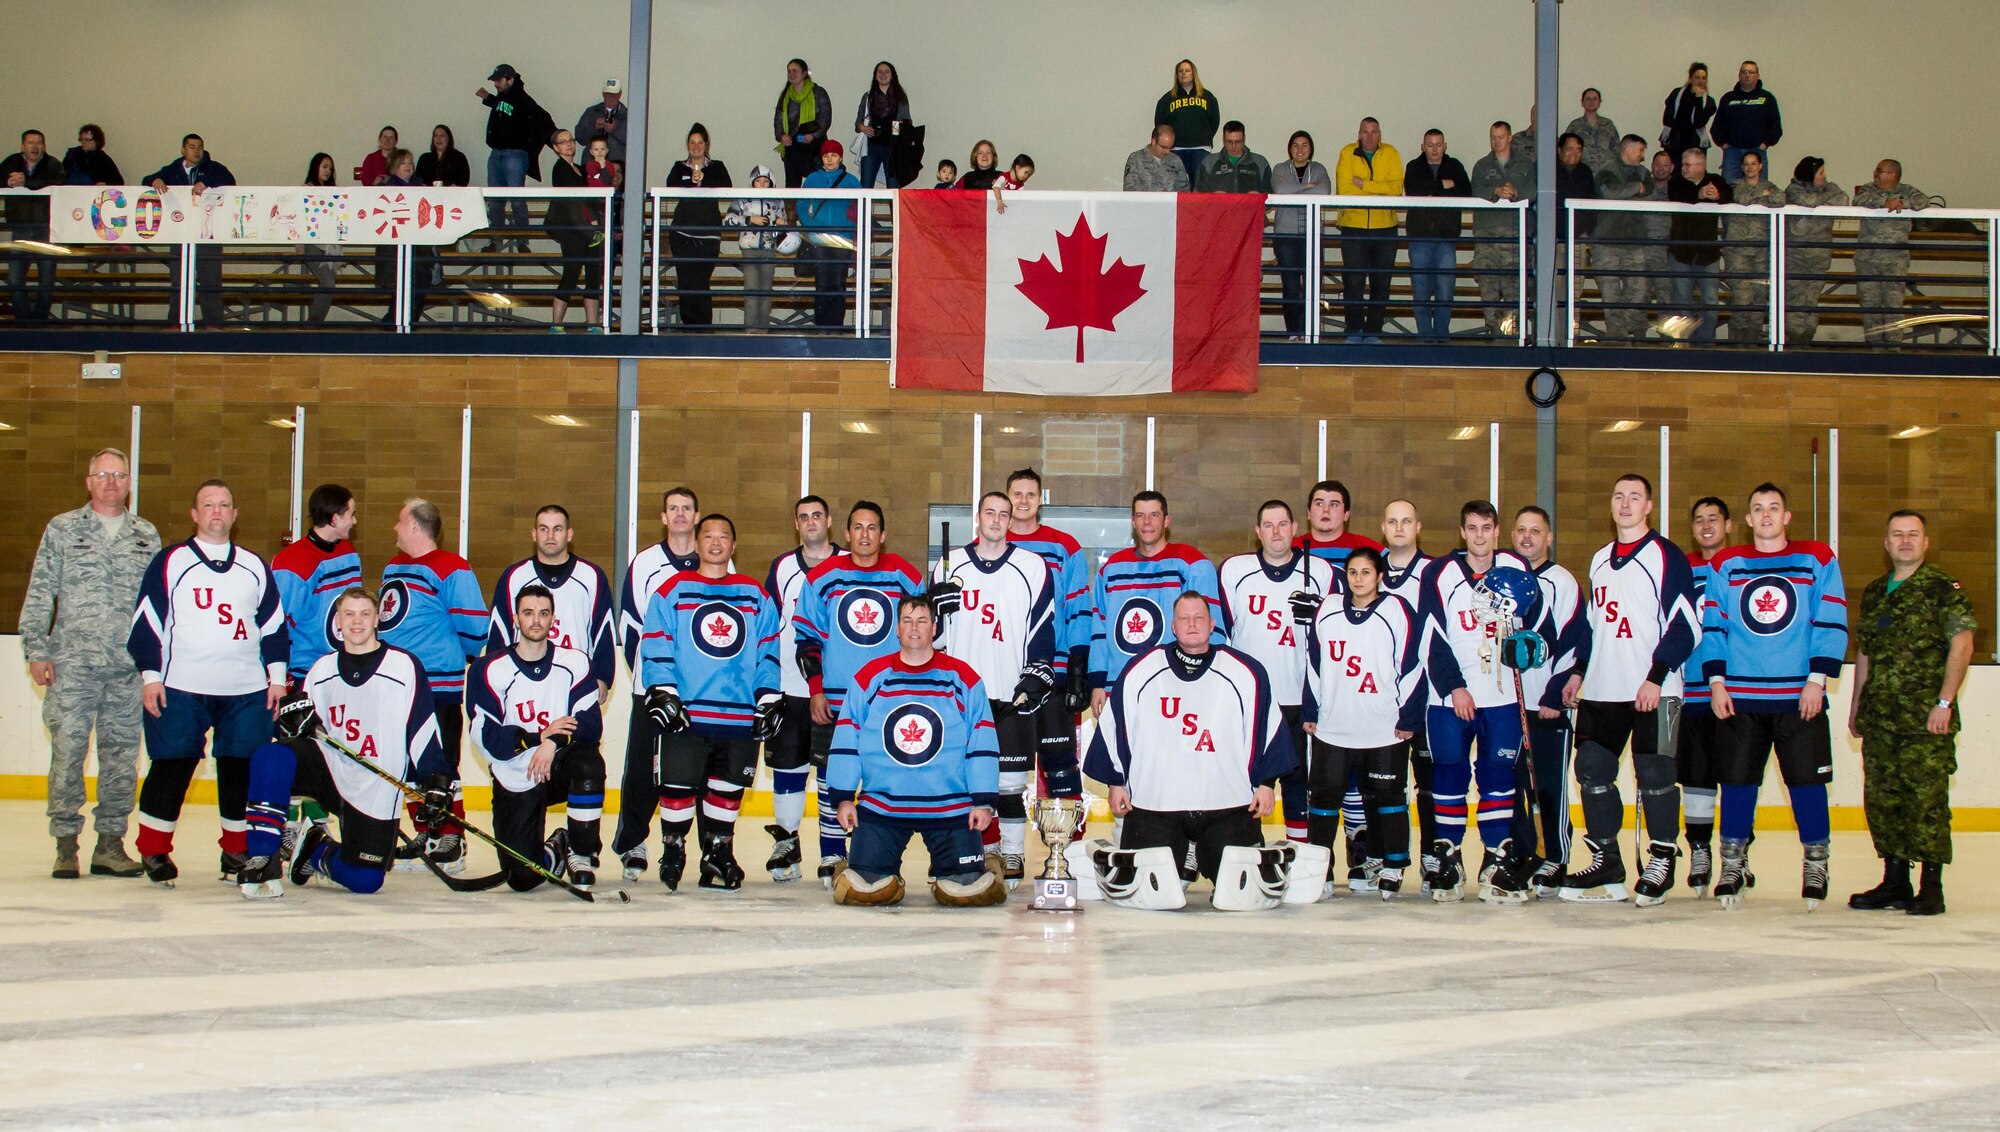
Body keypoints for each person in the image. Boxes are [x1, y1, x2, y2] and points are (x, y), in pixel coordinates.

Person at [126, 480, 288, 887]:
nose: (217, 511)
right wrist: (150, 677)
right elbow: (147, 621)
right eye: (208, 505)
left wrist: (277, 679)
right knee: (172, 767)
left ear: (235, 514)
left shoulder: (254, 566)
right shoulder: (171, 561)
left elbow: (273, 627)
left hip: (247, 690)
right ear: (194, 514)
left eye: (225, 505)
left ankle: (236, 852)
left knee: (241, 771)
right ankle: (154, 849)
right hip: (181, 686)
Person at [1085, 591, 1296, 903]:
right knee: (1149, 894)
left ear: (1212, 624)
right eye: (1184, 618)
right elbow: (1116, 730)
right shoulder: (1140, 670)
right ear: (1173, 626)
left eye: (1199, 618)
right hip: (1157, 806)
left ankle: (1199, 852)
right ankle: (1183, 855)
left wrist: (1266, 784)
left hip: (1225, 805)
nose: (1192, 624)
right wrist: (1116, 783)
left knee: (1243, 893)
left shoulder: (1247, 673)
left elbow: (1267, 729)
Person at [239, 587, 446, 899]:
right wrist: (292, 728)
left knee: (366, 880)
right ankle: (263, 856)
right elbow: (297, 733)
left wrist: (435, 780)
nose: (357, 621)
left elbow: (423, 729)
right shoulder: (322, 669)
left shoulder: (403, 666)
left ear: (378, 619)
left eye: (365, 614)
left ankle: (314, 850)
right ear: (337, 621)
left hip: (376, 785)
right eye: (348, 614)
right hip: (331, 770)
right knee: (271, 757)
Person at [1702, 483, 1847, 910]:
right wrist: (1716, 683)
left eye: (1774, 508)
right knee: (1737, 782)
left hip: (1798, 695)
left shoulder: (1817, 558)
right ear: (1747, 520)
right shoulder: (1728, 562)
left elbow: (1831, 617)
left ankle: (1816, 862)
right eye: (1758, 509)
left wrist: (1817, 679)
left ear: (1786, 516)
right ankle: (1732, 863)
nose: (1766, 515)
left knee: (1806, 783)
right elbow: (1715, 625)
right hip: (1741, 697)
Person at [1559, 475, 1700, 906]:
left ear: (1649, 506)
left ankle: (1661, 859)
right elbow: (1593, 624)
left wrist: (1656, 675)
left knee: (1656, 776)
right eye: (1618, 496)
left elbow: (1687, 624)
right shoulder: (1601, 559)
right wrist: (1579, 670)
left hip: (1652, 688)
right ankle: (1607, 860)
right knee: (1592, 771)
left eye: (1634, 497)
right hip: (1603, 688)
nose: (1625, 504)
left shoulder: (1665, 556)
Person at [21, 448, 157, 879]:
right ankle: (65, 844)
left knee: (121, 758)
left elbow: (156, 604)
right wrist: (36, 649)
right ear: (89, 482)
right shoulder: (63, 529)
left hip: (127, 668)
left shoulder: (145, 535)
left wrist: (158, 663)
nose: (111, 482)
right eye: (103, 475)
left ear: (129, 483)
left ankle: (110, 845)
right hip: (72, 665)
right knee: (68, 753)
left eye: (119, 475)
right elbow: (41, 591)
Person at [827, 596, 1006, 907]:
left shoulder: (962, 678)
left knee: (967, 890)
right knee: (865, 888)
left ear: (934, 628)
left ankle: (981, 864)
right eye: (907, 620)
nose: (914, 627)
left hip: (950, 809)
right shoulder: (871, 677)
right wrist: (843, 796)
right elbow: (847, 737)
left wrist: (983, 801)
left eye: (922, 620)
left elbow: (982, 740)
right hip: (883, 808)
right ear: (896, 628)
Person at [637, 513, 781, 892]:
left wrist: (768, 696)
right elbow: (655, 643)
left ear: (734, 546)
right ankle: (673, 850)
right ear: (698, 544)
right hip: (686, 713)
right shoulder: (672, 590)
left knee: (727, 788)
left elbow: (768, 650)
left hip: (737, 715)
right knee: (677, 787)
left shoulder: (754, 594)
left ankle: (717, 854)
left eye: (724, 537)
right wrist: (663, 690)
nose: (716, 542)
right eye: (709, 536)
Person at [1848, 511, 1973, 917]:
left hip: (1925, 719)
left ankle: (1931, 886)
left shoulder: (1942, 588)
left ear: (1926, 542)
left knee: (1926, 802)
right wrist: (1857, 705)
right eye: (1897, 535)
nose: (1905, 541)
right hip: (1881, 718)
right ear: (1885, 543)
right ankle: (1895, 880)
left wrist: (1944, 702)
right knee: (1883, 800)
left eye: (1913, 535)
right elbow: (1864, 652)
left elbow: (1963, 645)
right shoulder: (1874, 591)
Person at [794, 501, 926, 884]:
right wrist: (816, 691)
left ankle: (873, 854)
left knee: (880, 779)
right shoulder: (823, 577)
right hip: (834, 702)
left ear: (882, 536)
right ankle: (832, 854)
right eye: (858, 527)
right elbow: (807, 640)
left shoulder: (904, 575)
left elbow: (921, 635)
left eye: (873, 528)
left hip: (889, 702)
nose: (865, 535)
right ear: (846, 534)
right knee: (829, 778)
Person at [932, 492, 1059, 888]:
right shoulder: (950, 566)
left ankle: (1014, 851)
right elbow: (932, 639)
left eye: (1005, 514)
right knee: (967, 779)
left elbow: (1042, 628)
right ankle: (982, 849)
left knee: (1009, 782)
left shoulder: (1032, 567)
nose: (997, 520)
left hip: (1010, 690)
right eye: (991, 512)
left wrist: (1037, 674)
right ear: (978, 517)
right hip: (962, 694)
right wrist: (937, 613)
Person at [1413, 500, 1535, 902]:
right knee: (1448, 776)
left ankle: (1497, 859)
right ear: (1462, 532)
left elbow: (1533, 629)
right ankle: (1448, 857)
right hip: (1451, 699)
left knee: (1498, 777)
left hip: (1500, 697)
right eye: (1472, 528)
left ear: (1496, 531)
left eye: (1487, 527)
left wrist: (1530, 647)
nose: (1479, 535)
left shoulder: (1517, 569)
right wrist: (1454, 687)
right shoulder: (1438, 573)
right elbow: (1429, 637)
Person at [1302, 548, 1425, 898]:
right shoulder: (1327, 610)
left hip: (1383, 726)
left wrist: (1409, 716)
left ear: (1379, 576)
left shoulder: (1397, 611)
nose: (1358, 579)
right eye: (1353, 572)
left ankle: (1393, 864)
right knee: (1324, 799)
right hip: (1333, 726)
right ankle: (1319, 869)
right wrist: (1311, 710)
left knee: (1388, 797)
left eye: (1366, 572)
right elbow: (1314, 663)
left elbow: (1413, 666)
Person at [378, 497, 485, 873]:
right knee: (405, 764)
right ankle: (426, 831)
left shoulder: (451, 568)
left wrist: (450, 659)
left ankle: (451, 839)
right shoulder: (394, 567)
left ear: (414, 526)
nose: (394, 528)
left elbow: (474, 628)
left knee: (440, 765)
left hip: (437, 687)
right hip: (395, 686)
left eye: (398, 520)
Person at [1489, 505, 1585, 903]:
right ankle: (1526, 851)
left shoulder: (1562, 582)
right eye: (1522, 530)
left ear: (1549, 538)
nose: (1528, 537)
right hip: (1506, 703)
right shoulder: (1496, 582)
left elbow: (1576, 639)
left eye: (1536, 531)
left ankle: (1555, 856)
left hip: (1545, 704)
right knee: (1510, 784)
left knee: (1548, 784)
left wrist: (1553, 694)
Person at [613, 486, 707, 876]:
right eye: (674, 509)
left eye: (687, 508)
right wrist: (653, 680)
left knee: (704, 771)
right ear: (664, 518)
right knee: (641, 768)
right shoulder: (645, 563)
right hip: (653, 691)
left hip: (703, 693)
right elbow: (631, 626)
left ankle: (710, 850)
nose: (681, 514)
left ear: (697, 516)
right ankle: (632, 844)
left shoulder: (716, 561)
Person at [1219, 501, 1325, 849]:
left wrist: (1320, 614)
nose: (1276, 532)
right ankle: (1245, 851)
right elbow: (1224, 635)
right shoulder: (1236, 570)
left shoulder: (1321, 572)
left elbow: (1336, 632)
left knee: (1298, 783)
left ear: (1295, 528)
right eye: (1268, 525)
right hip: (1251, 703)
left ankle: (1302, 856)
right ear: (1258, 530)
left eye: (1283, 524)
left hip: (1297, 698)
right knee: (1245, 781)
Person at [1002, 468, 1093, 846]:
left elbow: (1077, 609)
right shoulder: (991, 542)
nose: (1023, 501)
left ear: (1041, 499)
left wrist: (1076, 670)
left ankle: (1064, 847)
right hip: (1004, 673)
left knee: (1059, 760)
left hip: (1053, 673)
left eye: (1030, 494)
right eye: (1016, 494)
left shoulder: (1064, 546)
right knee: (1003, 769)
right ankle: (1005, 851)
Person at [760, 495, 842, 881]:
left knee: (832, 773)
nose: (810, 522)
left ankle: (834, 851)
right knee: (788, 770)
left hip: (836, 689)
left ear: (828, 521)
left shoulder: (846, 566)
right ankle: (787, 844)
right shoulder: (781, 568)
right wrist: (765, 686)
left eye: (817, 516)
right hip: (790, 689)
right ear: (796, 524)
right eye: (803, 517)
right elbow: (765, 627)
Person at [1086, 491, 1224, 714]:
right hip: (1121, 685)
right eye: (1140, 515)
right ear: (1132, 521)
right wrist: (1097, 682)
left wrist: (1207, 679)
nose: (1147, 522)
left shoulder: (1192, 563)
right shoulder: (1111, 568)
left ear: (1166, 520)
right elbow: (1099, 629)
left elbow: (1209, 629)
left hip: (1176, 685)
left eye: (1154, 515)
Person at [486, 504, 615, 701]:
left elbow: (603, 632)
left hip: (576, 680)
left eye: (557, 529)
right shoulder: (514, 577)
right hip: (522, 683)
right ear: (534, 534)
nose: (550, 536)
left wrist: (602, 677)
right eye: (543, 529)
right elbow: (499, 631)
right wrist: (495, 678)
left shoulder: (591, 576)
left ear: (569, 534)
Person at [1379, 499, 1437, 885]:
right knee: (1386, 785)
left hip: (1431, 697)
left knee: (1431, 783)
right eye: (1392, 522)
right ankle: (1391, 860)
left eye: (1406, 521)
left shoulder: (1437, 573)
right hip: (1383, 700)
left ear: (1418, 527)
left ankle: (1434, 857)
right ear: (1383, 527)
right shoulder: (1365, 572)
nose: (1399, 528)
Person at [1678, 495, 1733, 895]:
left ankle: (1737, 856)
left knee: (1735, 775)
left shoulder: (1744, 567)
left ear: (1729, 525)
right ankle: (1699, 850)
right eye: (1699, 520)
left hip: (1737, 691)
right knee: (1695, 778)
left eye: (1714, 519)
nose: (1707, 525)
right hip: (1691, 693)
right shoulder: (1682, 569)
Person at [271, 483, 361, 687]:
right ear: (335, 519)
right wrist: (276, 679)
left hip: (343, 668)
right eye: (351, 514)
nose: (355, 521)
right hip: (304, 674)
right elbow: (276, 625)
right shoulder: (292, 563)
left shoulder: (348, 551)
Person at [144, 134, 236, 326]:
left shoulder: (213, 168)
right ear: (183, 150)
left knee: (210, 280)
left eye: (200, 147)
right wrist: (155, 181)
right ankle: (176, 323)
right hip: (180, 233)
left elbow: (229, 179)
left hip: (208, 234)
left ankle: (214, 323)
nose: (197, 151)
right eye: (192, 147)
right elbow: (146, 179)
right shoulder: (173, 170)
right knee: (179, 281)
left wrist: (207, 182)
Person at [1332, 117, 1403, 342]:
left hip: (1386, 228)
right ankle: (1353, 330)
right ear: (1359, 134)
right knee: (1353, 282)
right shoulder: (1347, 152)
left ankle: (1373, 331)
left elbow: (1396, 190)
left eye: (1374, 132)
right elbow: (1345, 190)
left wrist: (1364, 185)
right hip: (1354, 226)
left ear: (1380, 134)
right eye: (1365, 132)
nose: (1370, 136)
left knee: (1381, 283)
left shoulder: (1391, 153)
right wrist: (1378, 191)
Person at [1852, 159, 1934, 347]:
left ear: (1893, 174)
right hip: (1868, 259)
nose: (1875, 173)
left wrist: (1902, 203)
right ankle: (1873, 345)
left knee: (1894, 304)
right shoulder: (1868, 190)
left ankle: (1894, 345)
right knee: (1870, 304)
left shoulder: (1907, 191)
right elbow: (1858, 200)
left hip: (1895, 260)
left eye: (1880, 171)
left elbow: (1923, 201)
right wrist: (1885, 202)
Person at [475, 64, 557, 245]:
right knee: (496, 201)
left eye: (498, 80)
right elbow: (505, 107)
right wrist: (489, 99)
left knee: (517, 200)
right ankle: (498, 240)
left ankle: (521, 241)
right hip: (498, 153)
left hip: (515, 155)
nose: (496, 84)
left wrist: (554, 136)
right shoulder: (506, 98)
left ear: (510, 79)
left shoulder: (523, 100)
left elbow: (527, 113)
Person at [1403, 129, 1471, 342]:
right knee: (1420, 290)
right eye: (1430, 144)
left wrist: (1431, 190)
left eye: (1438, 144)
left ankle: (1442, 335)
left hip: (1446, 237)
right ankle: (1424, 335)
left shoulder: (1455, 166)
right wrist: (1443, 185)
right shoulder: (1414, 167)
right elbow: (1413, 190)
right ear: (1422, 146)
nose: (1434, 148)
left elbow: (1466, 192)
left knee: (1445, 289)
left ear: (1445, 146)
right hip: (1419, 237)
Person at [665, 123, 732, 331]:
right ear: (687, 145)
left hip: (708, 234)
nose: (696, 146)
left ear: (706, 144)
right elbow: (670, 187)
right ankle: (689, 328)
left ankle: (704, 328)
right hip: (682, 233)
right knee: (685, 282)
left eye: (700, 142)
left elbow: (727, 187)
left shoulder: (717, 167)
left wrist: (706, 179)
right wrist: (689, 183)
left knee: (701, 282)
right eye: (692, 142)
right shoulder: (679, 167)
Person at [1592, 136, 1656, 342]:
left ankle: (1616, 333)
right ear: (1628, 149)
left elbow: (1652, 194)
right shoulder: (1607, 170)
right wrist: (1636, 188)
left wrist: (1629, 191)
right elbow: (1608, 193)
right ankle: (1617, 340)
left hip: (1635, 240)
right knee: (1610, 294)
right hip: (1606, 241)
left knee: (1638, 290)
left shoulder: (1644, 173)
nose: (1643, 156)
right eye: (1641, 150)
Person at [1470, 122, 1530, 337]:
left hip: (1514, 232)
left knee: (1514, 284)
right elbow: (1474, 190)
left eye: (1501, 137)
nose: (1497, 141)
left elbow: (1534, 190)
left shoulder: (1526, 164)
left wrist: (1516, 192)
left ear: (1510, 137)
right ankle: (1493, 330)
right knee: (1488, 281)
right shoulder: (1481, 166)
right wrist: (1494, 190)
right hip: (1487, 232)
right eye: (1493, 137)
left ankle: (1512, 334)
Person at [1783, 156, 1848, 345]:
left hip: (1819, 255)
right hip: (1795, 256)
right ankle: (1794, 339)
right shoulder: (1793, 188)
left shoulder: (1831, 187)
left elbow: (1843, 199)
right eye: (1820, 173)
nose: (1825, 176)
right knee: (1795, 299)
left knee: (1811, 300)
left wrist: (1818, 199)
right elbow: (1806, 200)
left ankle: (1807, 338)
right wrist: (1824, 198)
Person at [1269, 131, 1327, 339]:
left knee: (1312, 286)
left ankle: (1309, 331)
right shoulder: (1280, 169)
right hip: (1286, 237)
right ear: (1289, 148)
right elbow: (1281, 189)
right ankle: (1293, 331)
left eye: (1304, 145)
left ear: (1310, 148)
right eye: (1295, 145)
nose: (1300, 149)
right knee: (1291, 286)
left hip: (1313, 235)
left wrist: (1296, 191)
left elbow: (1324, 191)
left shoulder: (1319, 169)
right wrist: (1307, 187)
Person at [1666, 147, 1729, 343]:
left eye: (1687, 164)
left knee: (1710, 302)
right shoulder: (1676, 181)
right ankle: (1683, 344)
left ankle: (1705, 343)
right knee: (1682, 303)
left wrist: (1717, 195)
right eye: (1683, 163)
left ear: (1701, 167)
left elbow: (1729, 195)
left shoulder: (1716, 180)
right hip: (1681, 252)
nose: (1683, 168)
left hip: (1707, 253)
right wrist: (1699, 193)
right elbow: (1677, 195)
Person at [546, 130, 605, 331]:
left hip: (588, 227)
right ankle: (556, 324)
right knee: (571, 273)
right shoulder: (560, 169)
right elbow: (572, 202)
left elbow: (592, 195)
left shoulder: (580, 168)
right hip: (572, 229)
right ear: (556, 148)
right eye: (563, 142)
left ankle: (592, 323)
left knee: (593, 274)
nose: (569, 144)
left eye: (570, 140)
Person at [1723, 150, 1784, 344]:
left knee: (1759, 297)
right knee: (1742, 297)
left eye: (1753, 164)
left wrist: (1763, 194)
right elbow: (1741, 198)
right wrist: (1762, 196)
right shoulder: (1735, 185)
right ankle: (1739, 340)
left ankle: (1753, 340)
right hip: (1738, 250)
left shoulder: (1771, 186)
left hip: (1761, 250)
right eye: (1746, 164)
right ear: (1741, 167)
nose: (1750, 167)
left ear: (1761, 166)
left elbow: (1780, 199)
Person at [4, 129, 64, 322]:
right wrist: (8, 181)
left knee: (46, 279)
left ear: (44, 146)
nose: (35, 146)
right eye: (31, 143)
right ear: (22, 146)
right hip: (20, 227)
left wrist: (26, 181)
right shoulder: (11, 162)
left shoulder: (53, 164)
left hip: (45, 227)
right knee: (15, 278)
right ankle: (23, 318)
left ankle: (40, 320)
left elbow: (59, 181)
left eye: (39, 143)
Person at [799, 140, 860, 329]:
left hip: (843, 238)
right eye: (826, 156)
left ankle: (836, 327)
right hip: (820, 238)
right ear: (822, 158)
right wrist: (811, 226)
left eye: (833, 155)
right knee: (823, 283)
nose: (830, 159)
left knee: (839, 283)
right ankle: (822, 325)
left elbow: (860, 208)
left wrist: (851, 228)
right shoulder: (812, 179)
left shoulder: (851, 181)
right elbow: (801, 205)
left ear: (841, 157)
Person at [724, 165, 782, 330]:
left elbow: (783, 229)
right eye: (758, 181)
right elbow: (728, 220)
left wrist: (780, 226)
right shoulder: (742, 199)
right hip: (749, 250)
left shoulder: (778, 200)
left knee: (766, 292)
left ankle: (763, 329)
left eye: (765, 181)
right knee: (750, 291)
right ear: (752, 183)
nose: (762, 184)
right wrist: (750, 220)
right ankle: (750, 330)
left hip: (770, 249)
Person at [1296, 479, 1385, 586]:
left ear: (1346, 514)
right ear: (1309, 512)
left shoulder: (1370, 550)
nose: (1326, 510)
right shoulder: (1292, 549)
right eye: (1319, 504)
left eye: (1334, 504)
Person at [1712, 61, 1782, 184]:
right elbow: (1717, 125)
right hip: (1732, 153)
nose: (1747, 75)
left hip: (1757, 151)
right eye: (1744, 72)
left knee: (1758, 191)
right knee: (1728, 189)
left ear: (1757, 75)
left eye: (1751, 72)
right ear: (1739, 75)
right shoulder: (1728, 98)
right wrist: (1723, 143)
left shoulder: (1766, 98)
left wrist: (1766, 143)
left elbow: (1776, 126)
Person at [1155, 59, 1219, 186]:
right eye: (1180, 71)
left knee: (1200, 188)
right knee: (1175, 186)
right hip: (1176, 149)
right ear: (1176, 75)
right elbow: (1160, 125)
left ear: (1193, 73)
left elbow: (1215, 121)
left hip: (1200, 148)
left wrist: (1203, 136)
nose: (1184, 73)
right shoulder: (1167, 99)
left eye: (1187, 70)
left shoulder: (1207, 97)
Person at [774, 58, 833, 189]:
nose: (791, 74)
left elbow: (826, 117)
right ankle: (792, 209)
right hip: (793, 145)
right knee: (791, 185)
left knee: (818, 182)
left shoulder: (818, 92)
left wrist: (813, 136)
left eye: (795, 70)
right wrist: (781, 135)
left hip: (815, 144)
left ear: (804, 73)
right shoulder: (785, 96)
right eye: (789, 71)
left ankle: (819, 209)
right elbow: (778, 119)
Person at [298, 154, 342, 323]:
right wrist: (299, 243)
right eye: (324, 167)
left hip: (329, 245)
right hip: (313, 244)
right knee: (328, 284)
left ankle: (316, 320)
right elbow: (300, 218)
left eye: (330, 168)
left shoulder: (333, 192)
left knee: (328, 286)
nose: (328, 171)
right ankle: (314, 321)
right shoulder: (306, 190)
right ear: (315, 167)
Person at [853, 61, 911, 189]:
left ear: (892, 76)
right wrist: (863, 128)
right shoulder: (868, 97)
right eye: (880, 71)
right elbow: (858, 123)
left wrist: (898, 126)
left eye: (887, 72)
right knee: (866, 185)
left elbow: (907, 121)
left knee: (893, 186)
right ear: (875, 75)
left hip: (892, 147)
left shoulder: (900, 98)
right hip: (871, 147)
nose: (883, 74)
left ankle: (894, 210)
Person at [1641, 149, 1678, 314]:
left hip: (1666, 253)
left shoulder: (1679, 189)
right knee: (1639, 297)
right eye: (1657, 164)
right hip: (1642, 250)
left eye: (1665, 165)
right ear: (1651, 166)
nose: (1661, 168)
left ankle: (1666, 339)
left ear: (1672, 167)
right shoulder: (1643, 186)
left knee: (1666, 298)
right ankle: (1638, 338)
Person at [1660, 62, 1715, 163]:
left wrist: (1698, 99)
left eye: (1704, 78)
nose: (1700, 81)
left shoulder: (1709, 102)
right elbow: (1667, 119)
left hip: (1695, 143)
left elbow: (1699, 123)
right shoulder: (1676, 94)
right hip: (1674, 142)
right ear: (1690, 78)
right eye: (1697, 77)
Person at [1195, 120, 1270, 194]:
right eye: (1229, 141)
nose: (1233, 146)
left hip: (1251, 206)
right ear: (1223, 140)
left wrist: (1258, 197)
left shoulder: (1260, 162)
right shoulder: (1209, 162)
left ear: (1244, 139)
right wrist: (1214, 198)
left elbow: (1270, 195)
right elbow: (1198, 195)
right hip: (1218, 206)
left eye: (1238, 141)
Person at [1564, 88, 1620, 174]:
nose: (1591, 101)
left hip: (1606, 172)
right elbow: (1565, 149)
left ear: (1599, 102)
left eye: (1595, 99)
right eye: (1588, 99)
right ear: (1582, 102)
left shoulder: (1608, 124)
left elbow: (1616, 148)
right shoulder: (1575, 125)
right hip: (1582, 172)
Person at [574, 78, 628, 166]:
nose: (611, 97)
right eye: (608, 94)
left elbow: (635, 141)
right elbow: (580, 138)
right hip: (591, 166)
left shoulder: (629, 116)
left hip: (617, 167)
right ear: (603, 94)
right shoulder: (591, 112)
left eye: (614, 94)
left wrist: (615, 129)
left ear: (620, 94)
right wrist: (594, 128)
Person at [1122, 124, 1189, 193]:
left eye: (1170, 147)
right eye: (1164, 147)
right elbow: (1129, 191)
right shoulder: (1136, 159)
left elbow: (1184, 191)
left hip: (1169, 203)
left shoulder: (1176, 161)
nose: (1167, 151)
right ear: (1153, 142)